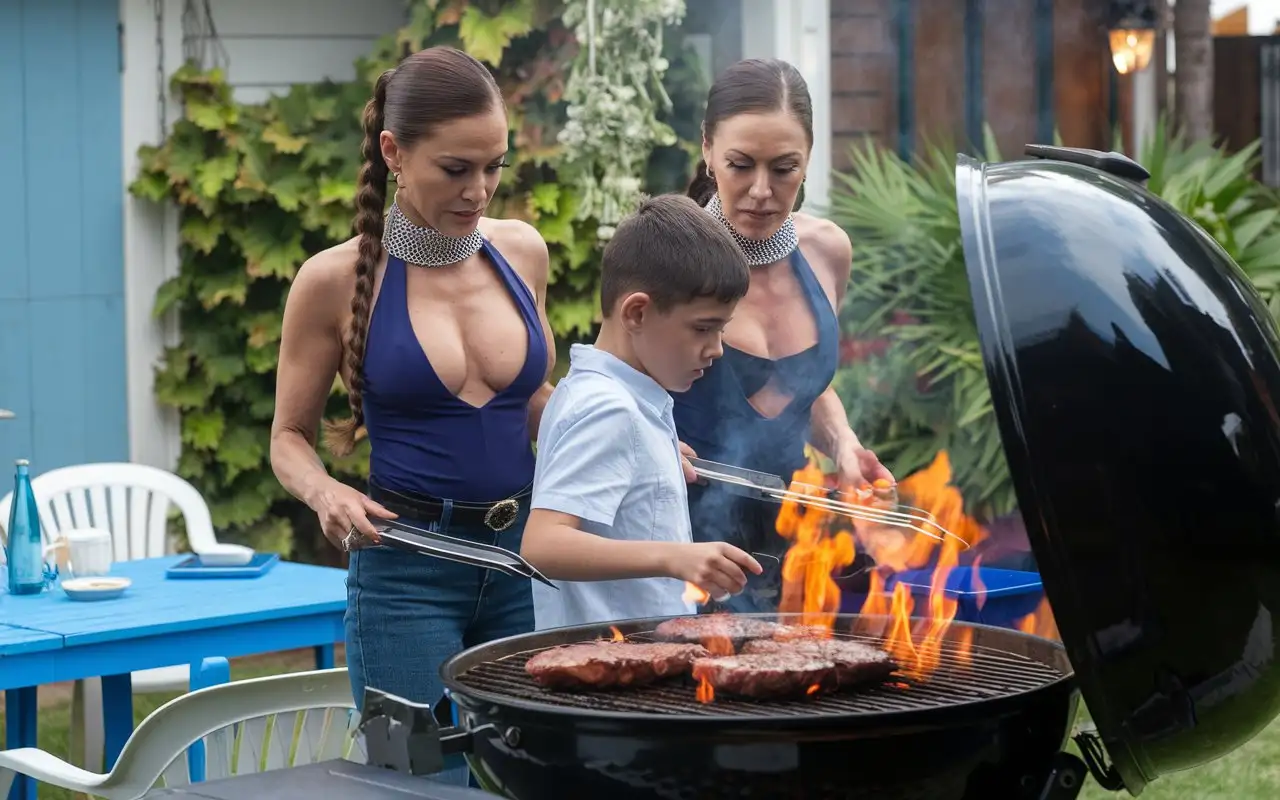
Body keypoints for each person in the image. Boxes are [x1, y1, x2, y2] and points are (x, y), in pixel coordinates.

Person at [268, 45, 555, 770]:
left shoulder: (521, 253)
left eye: (494, 166)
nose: (480, 190)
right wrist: (324, 489)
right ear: (394, 151)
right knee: (417, 783)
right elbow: (289, 437)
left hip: (525, 555)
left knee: (549, 773)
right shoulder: (330, 281)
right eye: (456, 169)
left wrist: (627, 447)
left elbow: (532, 403)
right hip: (406, 570)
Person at [675, 58, 895, 614]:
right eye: (740, 165)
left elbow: (803, 384)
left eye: (784, 168)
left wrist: (844, 444)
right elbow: (608, 394)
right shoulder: (665, 259)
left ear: (809, 159)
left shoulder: (827, 251)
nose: (761, 191)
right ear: (707, 148)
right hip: (684, 544)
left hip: (796, 543)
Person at [520, 194, 763, 629]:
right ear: (637, 312)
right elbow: (543, 545)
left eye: (721, 329)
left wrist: (655, 457)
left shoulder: (610, 396)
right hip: (610, 670)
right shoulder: (609, 409)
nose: (717, 348)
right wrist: (676, 557)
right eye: (703, 328)